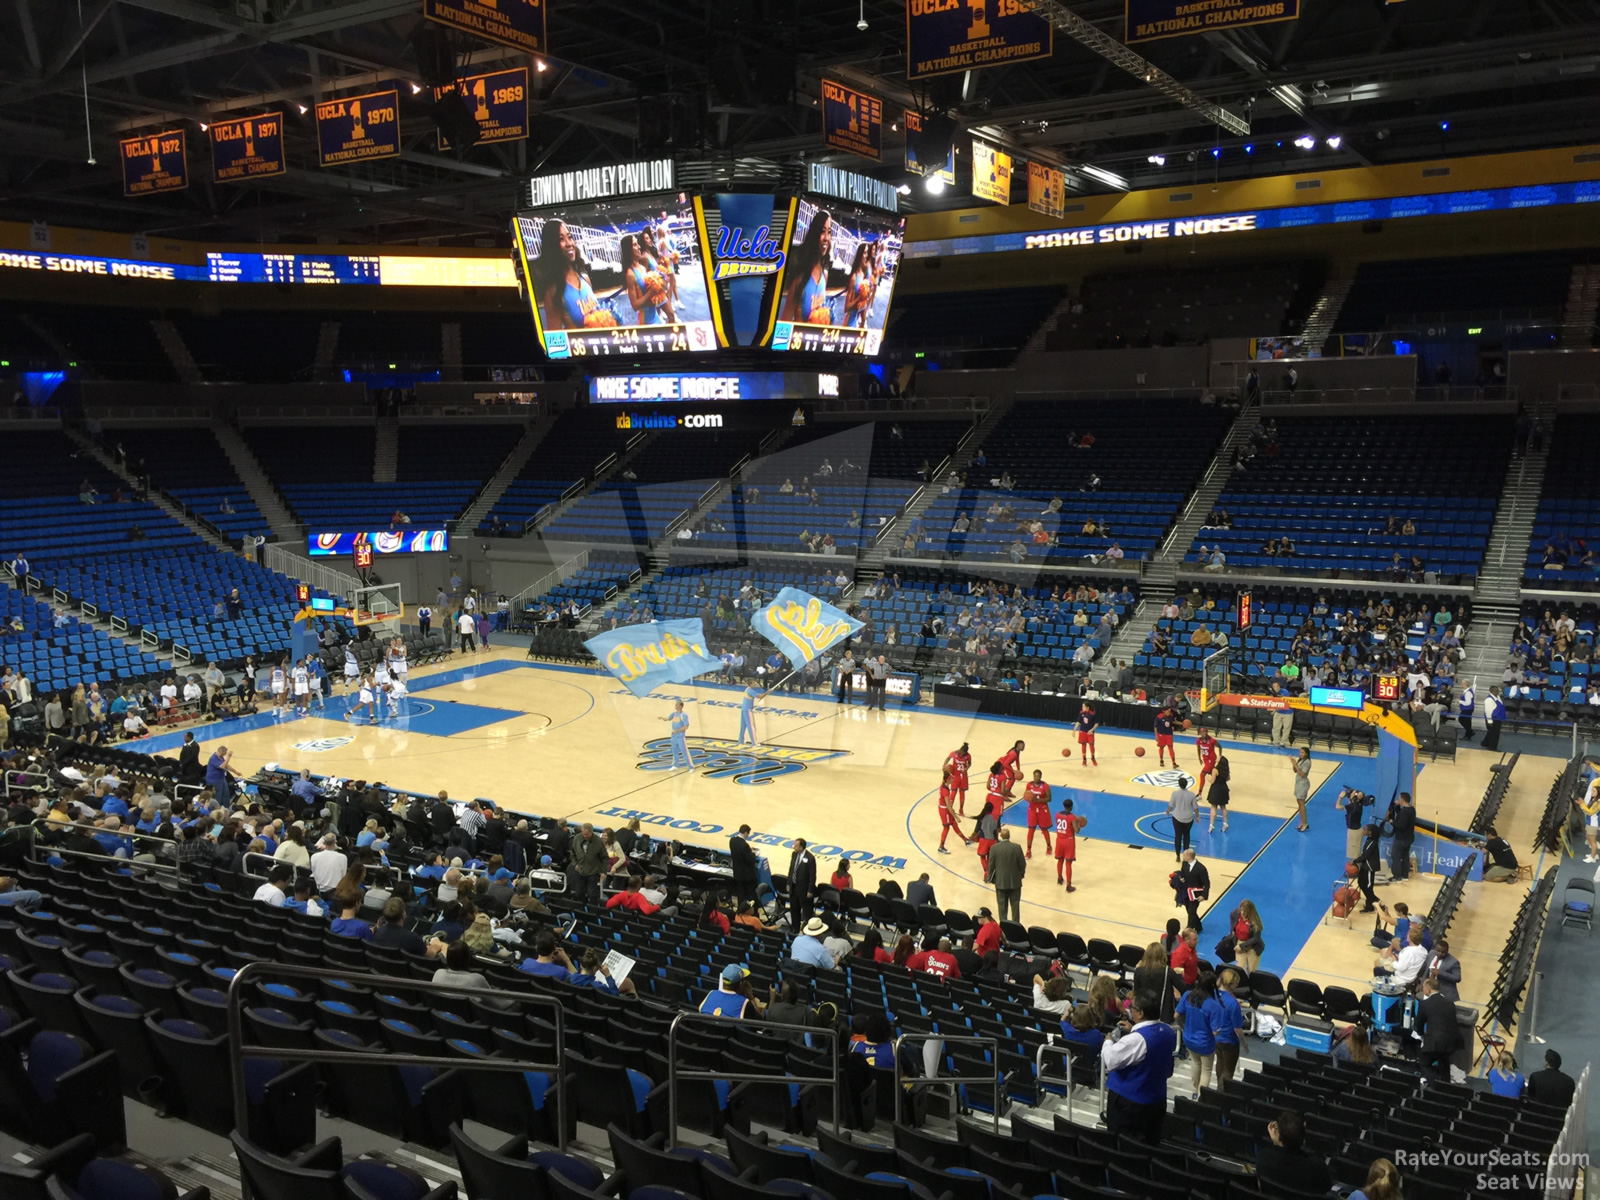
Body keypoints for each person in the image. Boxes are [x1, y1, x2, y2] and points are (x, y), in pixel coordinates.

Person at [1102, 990, 1176, 1143]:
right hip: (1156, 1100)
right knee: (1150, 1143)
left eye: (1132, 1008)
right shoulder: (1168, 1030)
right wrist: (1133, 1029)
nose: (1130, 1010)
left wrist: (1108, 1041)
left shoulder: (1136, 1040)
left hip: (1130, 1105)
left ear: (1141, 1013)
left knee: (1123, 1145)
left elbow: (1110, 1059)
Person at [1257, 1110, 1333, 1193]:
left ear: (1280, 1137)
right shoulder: (1318, 1167)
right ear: (1303, 1141)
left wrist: (1276, 1143)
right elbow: (1327, 1189)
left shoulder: (1264, 1158)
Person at [1175, 972, 1220, 1095]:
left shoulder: (1187, 995)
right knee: (1206, 1070)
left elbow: (1176, 1015)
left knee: (1195, 1063)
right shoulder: (1213, 1005)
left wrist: (1183, 1025)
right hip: (1205, 1043)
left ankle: (1195, 1090)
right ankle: (1201, 1096)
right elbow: (1215, 1032)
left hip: (1188, 1039)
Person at [1415, 976, 1460, 1079]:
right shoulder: (1450, 1003)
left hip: (1435, 1042)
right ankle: (1445, 1087)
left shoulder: (1425, 1004)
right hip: (1450, 1042)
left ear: (1428, 989)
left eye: (1423, 988)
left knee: (1424, 1062)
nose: (1422, 989)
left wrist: (1421, 1034)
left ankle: (1434, 1085)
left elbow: (1419, 1025)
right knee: (1444, 1064)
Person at [1211, 968, 1247, 1087]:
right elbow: (1237, 1028)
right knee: (1228, 1070)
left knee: (1220, 1062)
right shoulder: (1233, 1003)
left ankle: (1219, 1088)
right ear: (1232, 984)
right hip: (1229, 1040)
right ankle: (1221, 1094)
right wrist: (1244, 1043)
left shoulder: (1213, 995)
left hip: (1215, 1038)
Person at [987, 826, 1026, 922]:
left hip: (1000, 882)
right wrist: (1020, 875)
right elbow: (1022, 864)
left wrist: (991, 878)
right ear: (1009, 836)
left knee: (1002, 908)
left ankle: (1004, 927)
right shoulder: (1017, 847)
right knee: (1015, 907)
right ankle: (1016, 927)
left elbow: (991, 865)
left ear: (1001, 836)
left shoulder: (994, 848)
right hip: (1015, 882)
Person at [936, 765, 970, 854]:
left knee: (954, 824)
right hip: (944, 810)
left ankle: (966, 840)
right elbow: (948, 805)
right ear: (948, 779)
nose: (953, 779)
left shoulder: (944, 783)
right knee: (946, 827)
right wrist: (955, 816)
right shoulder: (945, 790)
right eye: (951, 778)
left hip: (945, 808)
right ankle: (941, 847)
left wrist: (946, 771)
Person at [1173, 849, 1209, 933]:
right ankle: (1198, 926)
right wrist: (1181, 878)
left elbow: (1206, 883)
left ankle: (1188, 930)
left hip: (1196, 894)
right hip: (1186, 893)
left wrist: (1204, 895)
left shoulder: (1201, 868)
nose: (1183, 856)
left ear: (1189, 857)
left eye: (1184, 855)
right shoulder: (1184, 863)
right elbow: (1183, 873)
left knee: (1192, 912)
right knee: (1189, 910)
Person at [1053, 797, 1084, 890]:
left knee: (1060, 860)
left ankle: (1059, 878)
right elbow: (1077, 830)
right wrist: (1078, 823)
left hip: (1059, 839)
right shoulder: (1072, 817)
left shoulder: (1057, 815)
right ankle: (1069, 885)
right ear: (1071, 807)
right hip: (1068, 841)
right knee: (1068, 863)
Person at [1166, 774, 1198, 860]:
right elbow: (1195, 807)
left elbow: (1171, 805)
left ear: (1179, 784)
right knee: (1187, 836)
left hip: (1177, 818)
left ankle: (1177, 855)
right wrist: (1197, 816)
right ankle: (1186, 856)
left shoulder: (1175, 794)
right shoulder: (1192, 794)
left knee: (1178, 836)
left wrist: (1168, 811)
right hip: (1188, 819)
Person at [1022, 769, 1053, 857]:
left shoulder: (1045, 786)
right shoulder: (1029, 785)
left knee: (1044, 829)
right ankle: (1028, 850)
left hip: (1042, 809)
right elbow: (1025, 795)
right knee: (1031, 830)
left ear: (1040, 777)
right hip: (1032, 809)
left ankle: (1049, 846)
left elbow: (1049, 798)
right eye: (1035, 776)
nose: (1036, 778)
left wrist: (1038, 800)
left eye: (1038, 776)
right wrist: (1028, 798)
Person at [787, 837, 816, 929]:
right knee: (794, 909)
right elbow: (791, 869)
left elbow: (812, 876)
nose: (794, 847)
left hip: (804, 890)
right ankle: (795, 928)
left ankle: (808, 931)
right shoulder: (794, 854)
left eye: (796, 846)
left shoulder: (810, 858)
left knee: (807, 912)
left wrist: (810, 890)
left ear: (801, 847)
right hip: (794, 887)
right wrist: (788, 883)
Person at [1232, 900, 1264, 976]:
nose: (1242, 913)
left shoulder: (1255, 922)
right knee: (1239, 970)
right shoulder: (1236, 915)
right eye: (1241, 910)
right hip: (1239, 945)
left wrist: (1242, 946)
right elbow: (1233, 926)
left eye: (1245, 911)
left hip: (1253, 948)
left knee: (1252, 972)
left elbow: (1256, 938)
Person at [1388, 791, 1416, 880]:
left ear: (1403, 799)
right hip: (1409, 838)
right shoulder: (1411, 809)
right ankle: (1404, 875)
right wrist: (1398, 806)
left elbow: (1401, 826)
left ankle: (1397, 876)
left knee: (1395, 856)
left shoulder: (1404, 812)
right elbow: (1402, 816)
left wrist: (1392, 822)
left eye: (1399, 798)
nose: (1398, 799)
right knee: (1405, 856)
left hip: (1401, 838)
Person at [729, 824, 759, 903]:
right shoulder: (744, 845)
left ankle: (740, 911)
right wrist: (753, 853)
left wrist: (748, 850)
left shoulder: (732, 840)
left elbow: (739, 853)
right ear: (745, 833)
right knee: (750, 895)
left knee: (740, 894)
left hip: (737, 873)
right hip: (746, 876)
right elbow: (749, 859)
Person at [1426, 936, 1461, 1003]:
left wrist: (1440, 973)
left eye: (1443, 952)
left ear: (1447, 951)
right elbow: (1425, 969)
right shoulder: (1431, 953)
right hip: (1429, 989)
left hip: (1444, 992)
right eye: (1438, 951)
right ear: (1435, 949)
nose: (1440, 953)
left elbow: (1457, 978)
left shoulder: (1453, 962)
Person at [662, 699, 693, 770]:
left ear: (680, 706)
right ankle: (675, 765)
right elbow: (668, 718)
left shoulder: (684, 715)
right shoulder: (674, 714)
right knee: (674, 750)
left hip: (680, 736)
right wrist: (662, 717)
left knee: (684, 751)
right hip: (673, 736)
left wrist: (677, 730)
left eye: (677, 704)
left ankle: (690, 767)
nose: (675, 706)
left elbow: (686, 726)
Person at [944, 742, 972, 816]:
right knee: (953, 792)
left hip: (963, 776)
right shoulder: (954, 753)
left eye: (963, 753)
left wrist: (966, 768)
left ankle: (961, 809)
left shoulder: (968, 756)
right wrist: (944, 765)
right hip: (955, 775)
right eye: (961, 752)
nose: (962, 754)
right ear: (960, 750)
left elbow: (969, 763)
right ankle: (950, 808)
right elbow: (948, 758)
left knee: (962, 792)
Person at [1206, 755, 1231, 833]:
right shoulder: (1226, 769)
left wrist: (1207, 777)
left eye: (1218, 758)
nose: (1216, 758)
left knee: (1213, 807)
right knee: (1223, 806)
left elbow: (1212, 781)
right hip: (1224, 788)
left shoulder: (1215, 770)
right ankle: (1225, 823)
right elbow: (1228, 778)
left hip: (1216, 789)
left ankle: (1211, 825)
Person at [1291, 747, 1312, 832]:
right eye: (1300, 752)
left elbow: (1302, 774)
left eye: (1302, 752)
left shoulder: (1307, 762)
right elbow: (1295, 771)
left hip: (1303, 784)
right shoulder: (1301, 760)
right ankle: (1301, 822)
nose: (1300, 754)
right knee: (1299, 804)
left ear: (1306, 753)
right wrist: (1294, 764)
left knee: (1302, 804)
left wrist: (1295, 764)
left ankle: (1305, 823)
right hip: (1298, 783)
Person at [1481, 684, 1506, 751]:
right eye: (1495, 690)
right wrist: (1490, 721)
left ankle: (1485, 743)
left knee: (1491, 732)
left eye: (1497, 690)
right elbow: (1488, 711)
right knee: (1495, 734)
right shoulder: (1489, 700)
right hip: (1493, 719)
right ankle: (1492, 747)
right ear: (1491, 691)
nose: (1497, 692)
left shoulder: (1497, 697)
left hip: (1498, 718)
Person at [1075, 702, 1098, 766]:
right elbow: (1078, 722)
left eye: (1084, 707)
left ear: (1087, 707)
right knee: (1083, 745)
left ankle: (1093, 758)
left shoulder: (1092, 714)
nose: (1082, 708)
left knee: (1091, 746)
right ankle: (1084, 760)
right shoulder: (1081, 713)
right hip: (1083, 731)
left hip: (1090, 732)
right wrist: (1074, 730)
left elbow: (1096, 724)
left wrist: (1092, 730)